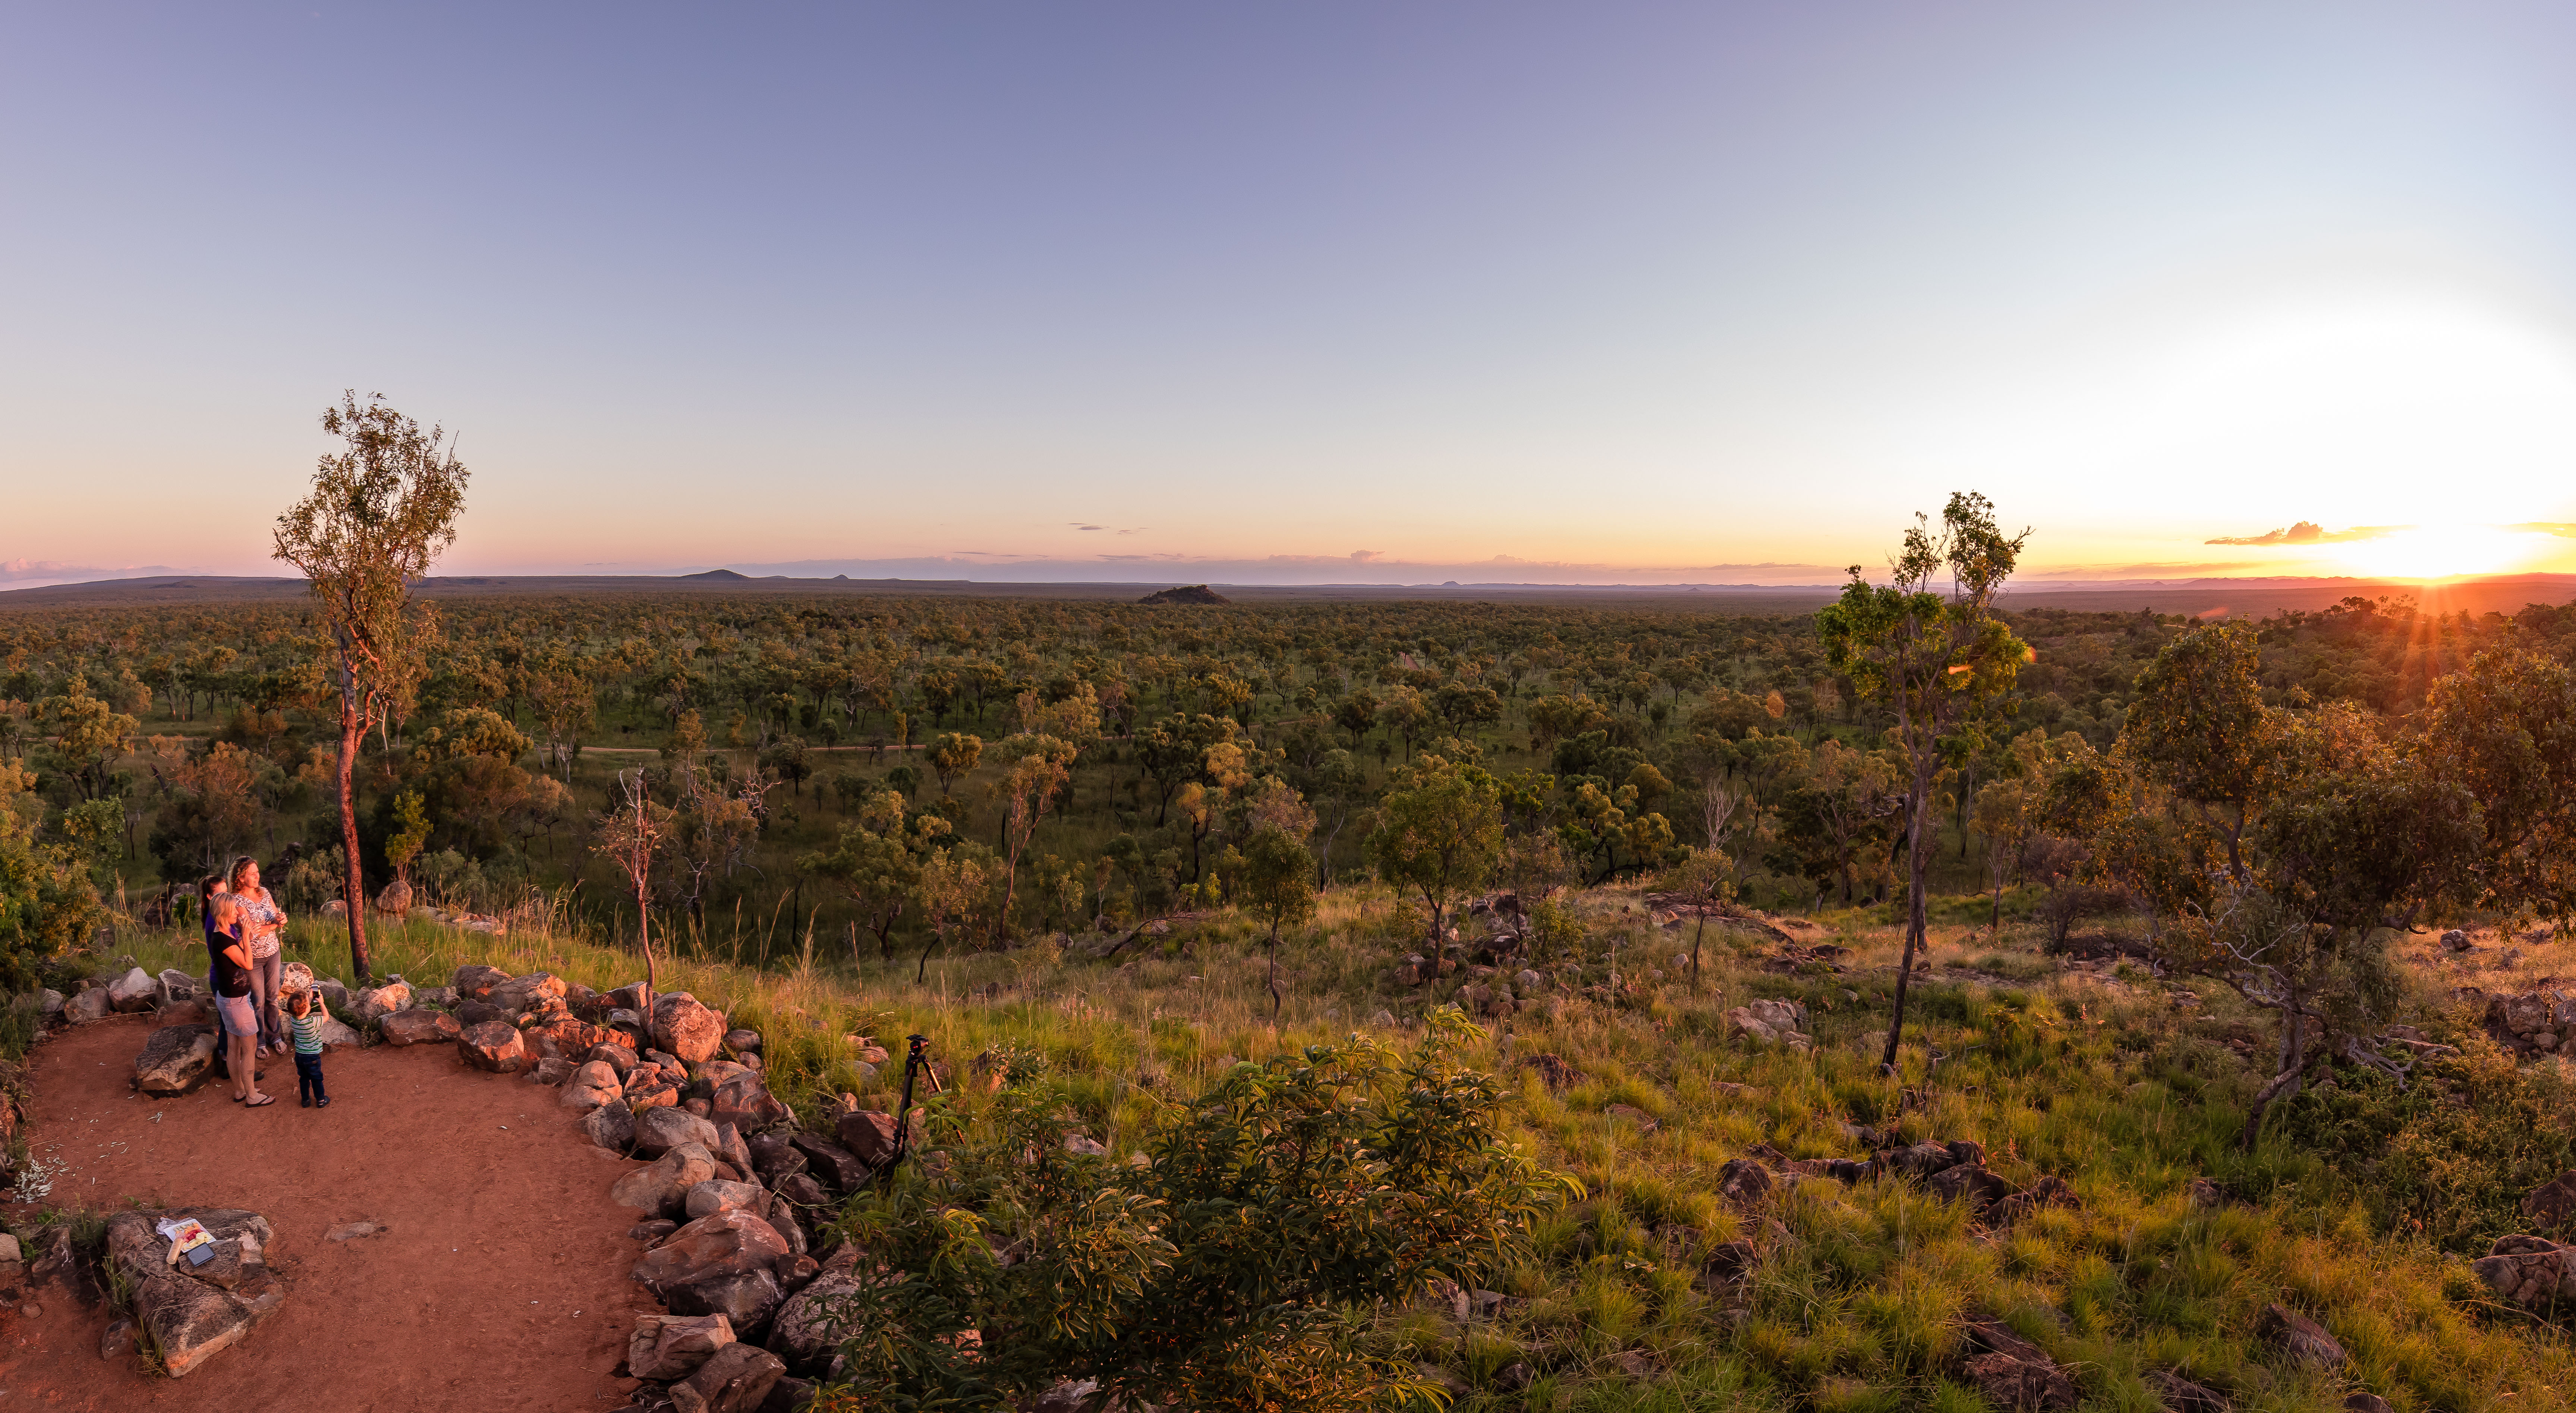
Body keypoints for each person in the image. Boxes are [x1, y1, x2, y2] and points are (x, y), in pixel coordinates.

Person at [207, 894, 274, 1108]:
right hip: (236, 1003)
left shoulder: (223, 933)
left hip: (229, 999)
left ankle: (240, 1090)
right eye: (234, 910)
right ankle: (252, 1096)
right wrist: (245, 935)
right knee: (250, 1048)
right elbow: (248, 964)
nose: (238, 912)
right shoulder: (224, 940)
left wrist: (244, 935)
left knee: (234, 1048)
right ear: (224, 912)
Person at [229, 857, 290, 1058]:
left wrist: (281, 919)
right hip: (252, 957)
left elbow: (275, 915)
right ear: (241, 878)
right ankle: (260, 1041)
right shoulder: (236, 901)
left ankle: (275, 1036)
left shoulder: (264, 893)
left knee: (273, 998)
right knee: (258, 1001)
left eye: (258, 872)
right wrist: (274, 926)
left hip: (273, 952)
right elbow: (251, 931)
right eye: (253, 874)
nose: (258, 876)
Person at [286, 989, 330, 1108]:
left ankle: (305, 1100)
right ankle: (321, 1100)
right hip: (312, 1057)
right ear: (306, 1008)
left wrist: (309, 999)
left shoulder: (293, 1019)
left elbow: (301, 1010)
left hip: (300, 1056)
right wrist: (321, 1003)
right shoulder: (312, 1022)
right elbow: (326, 1017)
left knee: (304, 1078)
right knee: (316, 1078)